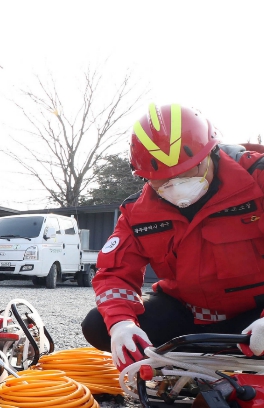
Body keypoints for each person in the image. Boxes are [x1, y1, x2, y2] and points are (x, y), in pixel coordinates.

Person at [81, 103, 264, 370]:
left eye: (188, 172)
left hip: (254, 316)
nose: (176, 186)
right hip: (188, 315)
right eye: (161, 180)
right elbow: (114, 274)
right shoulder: (138, 213)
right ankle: (188, 365)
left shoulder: (257, 179)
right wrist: (121, 324)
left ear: (210, 153)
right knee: (98, 325)